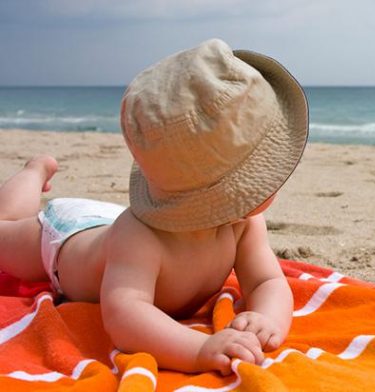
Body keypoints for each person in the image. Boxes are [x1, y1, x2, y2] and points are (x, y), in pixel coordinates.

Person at [0, 39, 309, 375]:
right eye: (267, 166)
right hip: (66, 240)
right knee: (6, 229)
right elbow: (125, 315)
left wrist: (267, 317)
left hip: (107, 224)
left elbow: (267, 281)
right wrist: (198, 348)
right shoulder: (139, 238)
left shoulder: (243, 223)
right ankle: (34, 171)